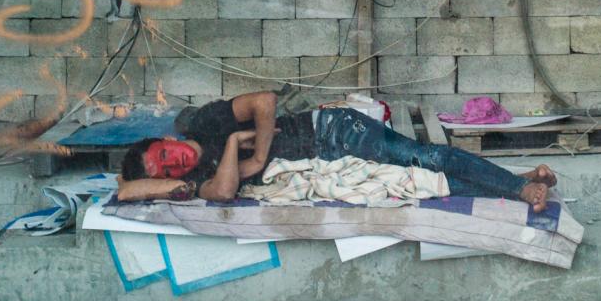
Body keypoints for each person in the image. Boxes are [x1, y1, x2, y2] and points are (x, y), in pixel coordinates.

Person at [116, 91, 558, 212]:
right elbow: (225, 191)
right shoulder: (197, 178)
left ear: (167, 141)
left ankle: (521, 189)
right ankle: (522, 183)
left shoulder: (204, 121)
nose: (175, 164)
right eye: (166, 171)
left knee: (428, 159)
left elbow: (264, 101)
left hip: (333, 130)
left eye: (166, 155)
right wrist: (235, 145)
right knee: (424, 184)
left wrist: (259, 154)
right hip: (325, 163)